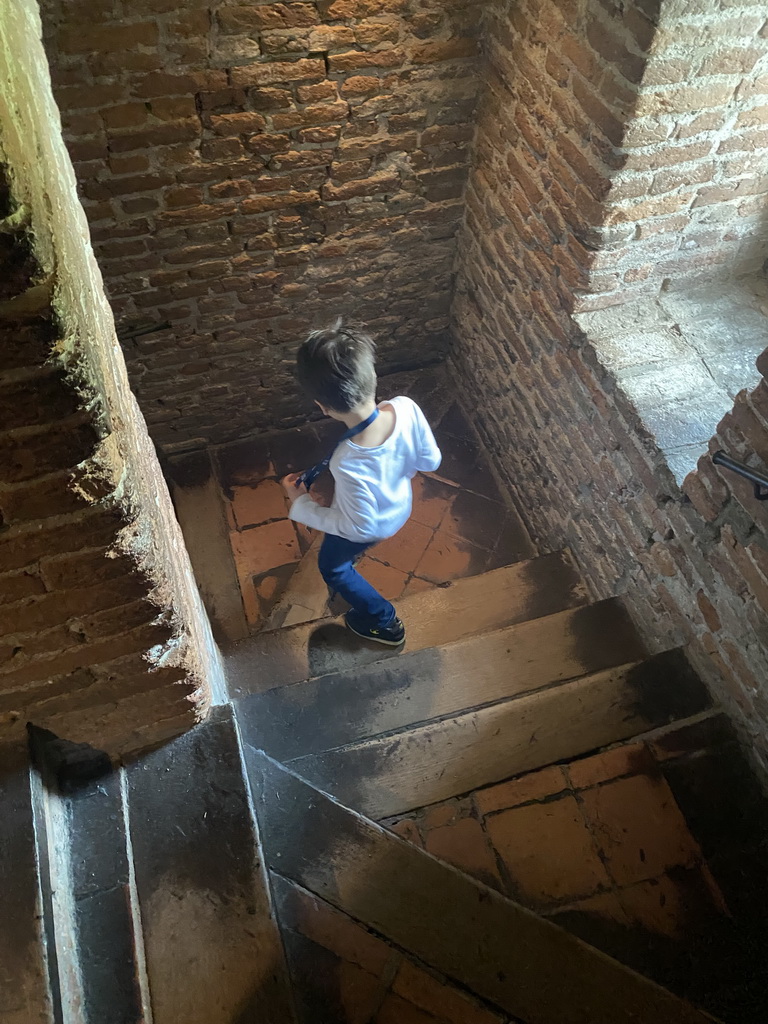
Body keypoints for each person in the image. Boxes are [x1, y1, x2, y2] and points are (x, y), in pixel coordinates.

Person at [281, 321, 442, 646]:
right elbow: (430, 462)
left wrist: (302, 505)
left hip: (375, 525)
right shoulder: (406, 408)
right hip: (399, 505)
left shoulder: (349, 461)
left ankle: (384, 623)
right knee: (349, 549)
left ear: (323, 408)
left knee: (333, 567)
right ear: (372, 375)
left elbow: (359, 527)